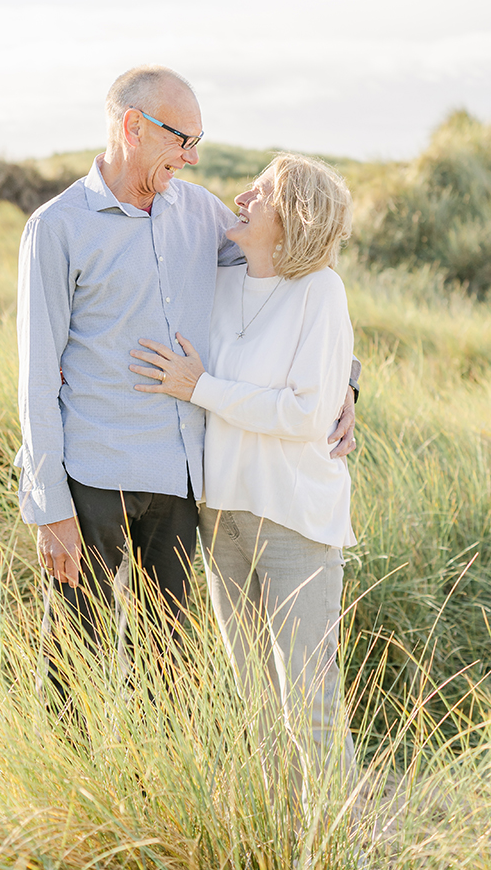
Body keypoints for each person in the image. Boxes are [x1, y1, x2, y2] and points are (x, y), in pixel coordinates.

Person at [15, 66, 358, 667]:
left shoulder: (200, 213)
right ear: (133, 126)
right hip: (93, 476)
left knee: (167, 670)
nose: (192, 159)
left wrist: (344, 379)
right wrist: (49, 508)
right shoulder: (57, 228)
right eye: (183, 140)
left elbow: (287, 268)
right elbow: (36, 379)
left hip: (181, 483)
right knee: (75, 666)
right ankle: (71, 767)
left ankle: (155, 768)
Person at [129, 152, 359, 804]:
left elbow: (304, 413)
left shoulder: (321, 292)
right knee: (256, 702)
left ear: (291, 220)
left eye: (260, 192)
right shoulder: (222, 283)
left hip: (294, 524)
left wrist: (202, 387)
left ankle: (340, 847)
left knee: (308, 701)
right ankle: (278, 838)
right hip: (221, 516)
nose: (242, 196)